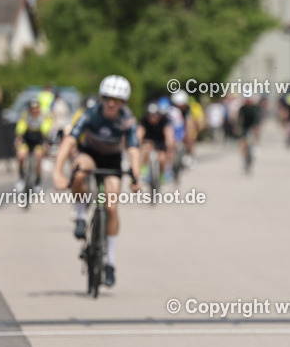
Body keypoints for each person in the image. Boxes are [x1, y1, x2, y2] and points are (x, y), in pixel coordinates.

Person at [52, 75, 141, 288]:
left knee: (111, 208)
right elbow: (69, 141)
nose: (111, 103)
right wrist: (57, 171)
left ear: (124, 103)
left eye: (117, 100)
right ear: (101, 98)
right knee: (80, 170)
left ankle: (109, 262)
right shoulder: (90, 114)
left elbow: (133, 149)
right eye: (107, 98)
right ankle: (81, 215)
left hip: (111, 161)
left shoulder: (127, 120)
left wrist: (136, 177)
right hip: (89, 154)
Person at [14, 99, 52, 192]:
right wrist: (18, 138)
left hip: (39, 139)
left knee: (38, 157)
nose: (35, 111)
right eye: (33, 109)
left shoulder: (44, 115)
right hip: (27, 139)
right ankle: (21, 178)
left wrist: (46, 142)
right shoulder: (25, 115)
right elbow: (20, 127)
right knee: (21, 156)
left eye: (36, 108)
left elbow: (47, 129)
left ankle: (37, 182)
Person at [137, 102, 173, 187]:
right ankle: (144, 171)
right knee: (146, 149)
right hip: (149, 140)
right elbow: (139, 133)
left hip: (161, 141)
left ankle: (161, 176)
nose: (152, 117)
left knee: (162, 159)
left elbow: (169, 134)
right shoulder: (144, 120)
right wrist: (137, 143)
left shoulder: (164, 120)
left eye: (155, 115)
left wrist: (169, 146)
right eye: (150, 115)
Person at [237, 96, 262, 174]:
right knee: (243, 143)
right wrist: (238, 127)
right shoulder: (242, 108)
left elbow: (257, 119)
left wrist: (256, 128)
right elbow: (239, 119)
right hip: (245, 126)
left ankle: (255, 147)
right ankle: (244, 161)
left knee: (253, 139)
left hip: (253, 125)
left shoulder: (255, 108)